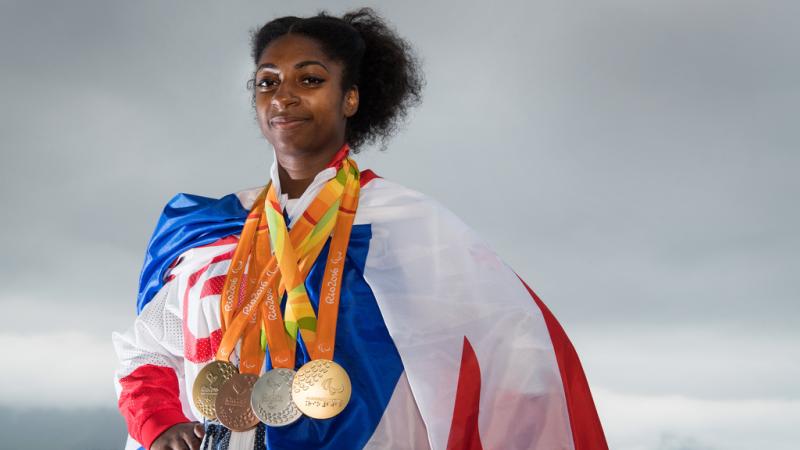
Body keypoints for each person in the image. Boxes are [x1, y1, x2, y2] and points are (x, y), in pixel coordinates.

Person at [113, 8, 608, 450]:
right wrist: (159, 424)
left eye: (309, 80)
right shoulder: (208, 229)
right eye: (268, 82)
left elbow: (509, 345)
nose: (283, 95)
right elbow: (149, 348)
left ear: (350, 98)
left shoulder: (407, 226)